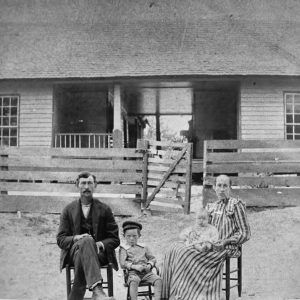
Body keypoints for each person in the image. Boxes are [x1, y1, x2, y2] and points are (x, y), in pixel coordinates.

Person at [161, 174, 251, 300]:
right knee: (174, 248)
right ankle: (173, 292)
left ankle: (185, 294)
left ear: (230, 188)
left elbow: (245, 232)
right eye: (219, 185)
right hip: (207, 243)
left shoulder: (236, 205)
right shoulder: (211, 206)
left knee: (184, 254)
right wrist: (195, 235)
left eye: (225, 186)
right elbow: (203, 226)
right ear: (214, 187)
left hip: (224, 247)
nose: (222, 189)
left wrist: (226, 241)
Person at [56, 171, 120, 300]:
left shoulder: (105, 209)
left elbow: (115, 239)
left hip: (99, 254)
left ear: (95, 185)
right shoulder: (68, 210)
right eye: (83, 183)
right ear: (77, 185)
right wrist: (75, 238)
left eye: (89, 183)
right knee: (86, 241)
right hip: (74, 252)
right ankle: (97, 290)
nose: (86, 187)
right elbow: (61, 239)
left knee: (87, 244)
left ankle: (76, 296)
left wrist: (100, 244)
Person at [119, 220, 162, 300]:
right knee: (134, 282)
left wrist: (150, 265)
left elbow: (152, 258)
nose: (131, 238)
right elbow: (122, 263)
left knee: (158, 280)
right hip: (133, 273)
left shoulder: (144, 247)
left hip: (147, 273)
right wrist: (134, 267)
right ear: (124, 235)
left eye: (134, 236)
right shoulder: (124, 248)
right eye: (128, 236)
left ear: (139, 235)